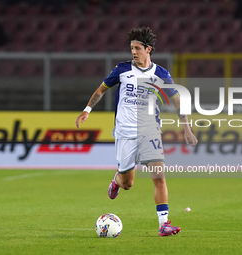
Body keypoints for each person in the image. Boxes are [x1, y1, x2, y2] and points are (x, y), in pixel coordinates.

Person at [76, 27, 198, 236]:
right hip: (125, 132)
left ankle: (163, 224)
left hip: (150, 132)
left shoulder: (161, 74)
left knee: (159, 177)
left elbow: (177, 100)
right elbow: (100, 91)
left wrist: (186, 127)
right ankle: (116, 180)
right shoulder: (122, 70)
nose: (133, 52)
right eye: (131, 48)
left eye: (137, 48)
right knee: (128, 183)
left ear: (148, 49)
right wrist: (87, 110)